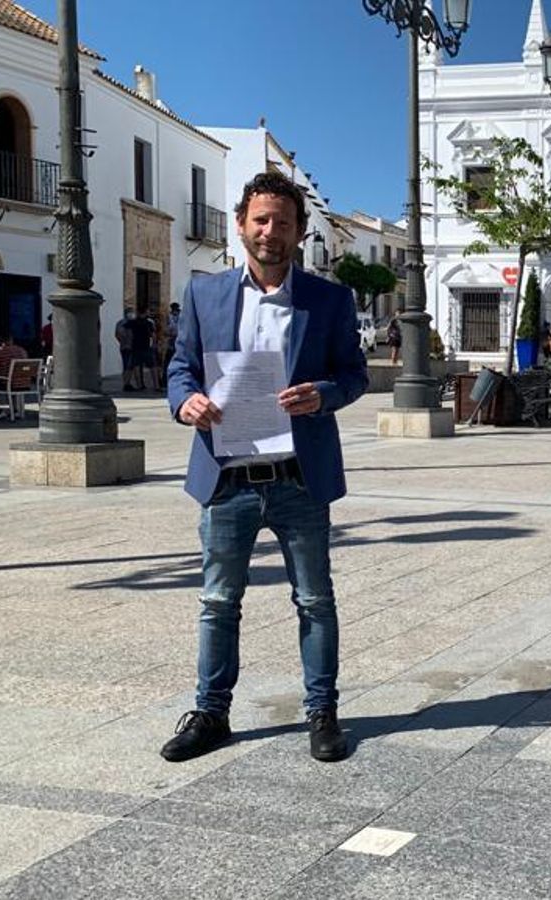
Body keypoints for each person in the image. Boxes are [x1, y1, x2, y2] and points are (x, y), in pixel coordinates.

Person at [162, 171, 368, 764]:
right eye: (260, 220)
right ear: (241, 225)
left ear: (300, 231)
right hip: (227, 477)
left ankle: (322, 712)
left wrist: (323, 395)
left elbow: (353, 375)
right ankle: (211, 713)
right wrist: (186, 403)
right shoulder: (205, 295)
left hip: (298, 477)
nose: (270, 232)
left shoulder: (329, 300)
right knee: (218, 602)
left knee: (314, 600)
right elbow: (180, 369)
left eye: (282, 221)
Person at [127, 306, 156, 391]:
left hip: (135, 346)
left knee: (136, 365)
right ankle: (156, 385)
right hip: (146, 346)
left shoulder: (132, 322)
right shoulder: (148, 322)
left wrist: (127, 343)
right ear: (145, 312)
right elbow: (153, 335)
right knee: (152, 366)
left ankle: (139, 385)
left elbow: (128, 332)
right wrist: (154, 344)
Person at [114, 311, 133, 389]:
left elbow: (116, 335)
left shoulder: (119, 323)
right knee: (129, 366)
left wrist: (121, 341)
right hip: (130, 346)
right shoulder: (131, 323)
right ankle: (127, 383)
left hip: (123, 346)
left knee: (125, 365)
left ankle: (126, 382)